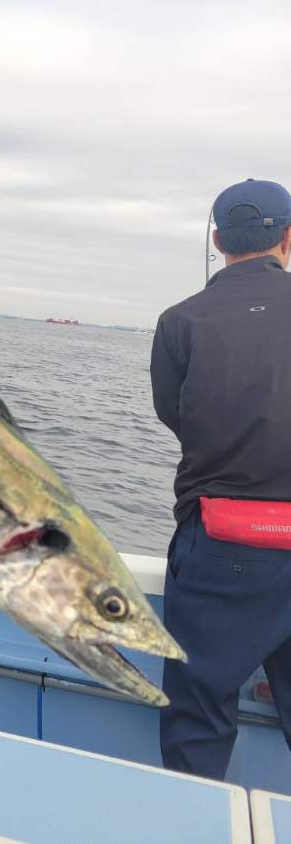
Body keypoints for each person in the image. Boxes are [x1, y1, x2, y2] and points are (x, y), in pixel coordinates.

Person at [150, 178, 291, 780]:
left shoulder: (179, 320)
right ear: (288, 238)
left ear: (217, 241)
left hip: (220, 544)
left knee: (197, 722)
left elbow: (175, 415)